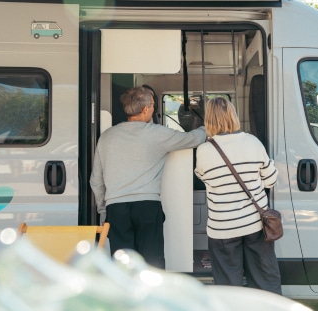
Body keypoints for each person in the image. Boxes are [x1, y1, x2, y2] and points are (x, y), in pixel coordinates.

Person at [90, 86, 206, 269]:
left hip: (116, 209)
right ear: (145, 109)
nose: (153, 109)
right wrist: (206, 128)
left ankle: (126, 298)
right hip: (147, 207)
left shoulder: (106, 137)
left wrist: (103, 211)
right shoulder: (156, 133)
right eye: (153, 105)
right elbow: (193, 139)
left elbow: (96, 180)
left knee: (122, 266)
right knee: (153, 263)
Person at [194, 96, 281, 294]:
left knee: (228, 286)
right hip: (255, 224)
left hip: (222, 227)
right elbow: (271, 181)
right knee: (264, 280)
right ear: (233, 115)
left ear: (208, 120)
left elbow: (204, 178)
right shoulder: (252, 142)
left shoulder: (204, 150)